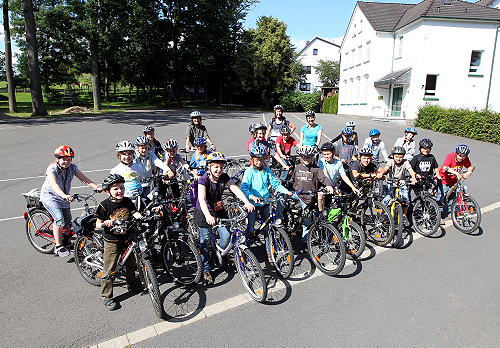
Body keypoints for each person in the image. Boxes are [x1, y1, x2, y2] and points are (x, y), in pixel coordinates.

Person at [194, 152, 254, 284]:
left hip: (219, 210)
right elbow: (201, 199)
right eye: (216, 167)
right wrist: (208, 216)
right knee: (206, 243)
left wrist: (246, 202)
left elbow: (235, 189)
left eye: (221, 167)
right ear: (209, 166)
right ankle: (206, 269)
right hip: (204, 214)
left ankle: (221, 254)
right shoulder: (203, 179)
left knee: (226, 236)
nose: (219, 170)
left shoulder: (223, 177)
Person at [40, 145, 101, 257]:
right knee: (59, 219)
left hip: (64, 198)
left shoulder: (72, 168)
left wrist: (96, 187)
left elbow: (84, 179)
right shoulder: (52, 169)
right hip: (51, 197)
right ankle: (58, 246)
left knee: (68, 221)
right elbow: (53, 185)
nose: (66, 162)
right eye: (64, 159)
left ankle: (67, 243)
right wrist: (64, 195)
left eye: (69, 159)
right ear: (57, 159)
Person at [95, 174, 143, 311]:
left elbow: (134, 212)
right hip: (112, 240)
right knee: (110, 268)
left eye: (122, 187)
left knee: (131, 263)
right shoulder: (104, 205)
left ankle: (132, 283)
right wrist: (105, 223)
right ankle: (106, 296)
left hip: (127, 238)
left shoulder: (127, 201)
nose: (120, 191)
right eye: (115, 188)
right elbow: (97, 224)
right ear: (107, 191)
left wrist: (139, 216)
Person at [241, 145, 292, 249]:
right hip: (253, 203)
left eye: (261, 160)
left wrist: (286, 191)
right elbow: (244, 188)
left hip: (265, 202)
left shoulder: (267, 170)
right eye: (257, 160)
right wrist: (251, 196)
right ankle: (246, 249)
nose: (259, 162)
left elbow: (275, 184)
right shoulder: (249, 171)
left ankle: (269, 251)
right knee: (250, 226)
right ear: (252, 159)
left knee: (267, 227)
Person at [290, 145, 334, 248]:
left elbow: (324, 178)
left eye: (309, 157)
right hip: (298, 194)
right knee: (281, 200)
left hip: (308, 198)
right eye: (304, 157)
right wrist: (285, 191)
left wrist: (329, 185)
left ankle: (305, 241)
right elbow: (291, 180)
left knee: (307, 220)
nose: (306, 159)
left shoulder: (316, 169)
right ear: (301, 157)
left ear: (312, 157)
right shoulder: (297, 167)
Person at [377, 146, 418, 226]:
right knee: (387, 198)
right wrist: (381, 173)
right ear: (393, 156)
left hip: (401, 182)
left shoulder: (405, 162)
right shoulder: (391, 161)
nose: (398, 158)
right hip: (391, 181)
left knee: (405, 199)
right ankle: (381, 215)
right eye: (396, 156)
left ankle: (404, 216)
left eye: (400, 157)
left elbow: (411, 170)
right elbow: (386, 169)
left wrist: (413, 178)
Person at [436, 144, 475, 219]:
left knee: (453, 197)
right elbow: (445, 167)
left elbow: (470, 167)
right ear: (456, 154)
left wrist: (469, 172)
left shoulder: (465, 159)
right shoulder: (450, 156)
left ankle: (451, 212)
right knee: (441, 197)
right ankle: (438, 215)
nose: (461, 158)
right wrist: (457, 173)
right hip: (444, 179)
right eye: (460, 155)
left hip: (454, 180)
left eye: (464, 156)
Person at [318, 142, 360, 209]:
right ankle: (319, 213)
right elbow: (325, 174)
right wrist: (331, 186)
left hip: (332, 185)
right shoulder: (321, 161)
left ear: (333, 153)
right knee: (321, 197)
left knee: (338, 200)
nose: (326, 156)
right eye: (324, 154)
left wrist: (353, 187)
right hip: (322, 184)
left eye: (328, 154)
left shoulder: (338, 163)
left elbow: (344, 176)